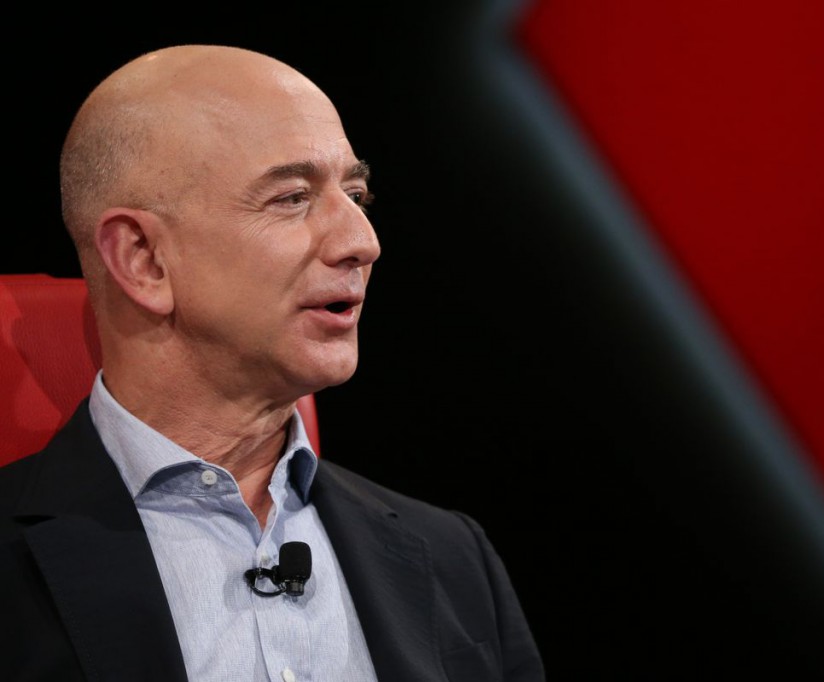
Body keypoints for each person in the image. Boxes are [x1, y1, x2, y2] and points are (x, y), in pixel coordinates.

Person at [0, 44, 544, 681]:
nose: (363, 241)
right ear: (143, 259)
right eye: (291, 198)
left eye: (357, 193)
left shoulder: (454, 558)